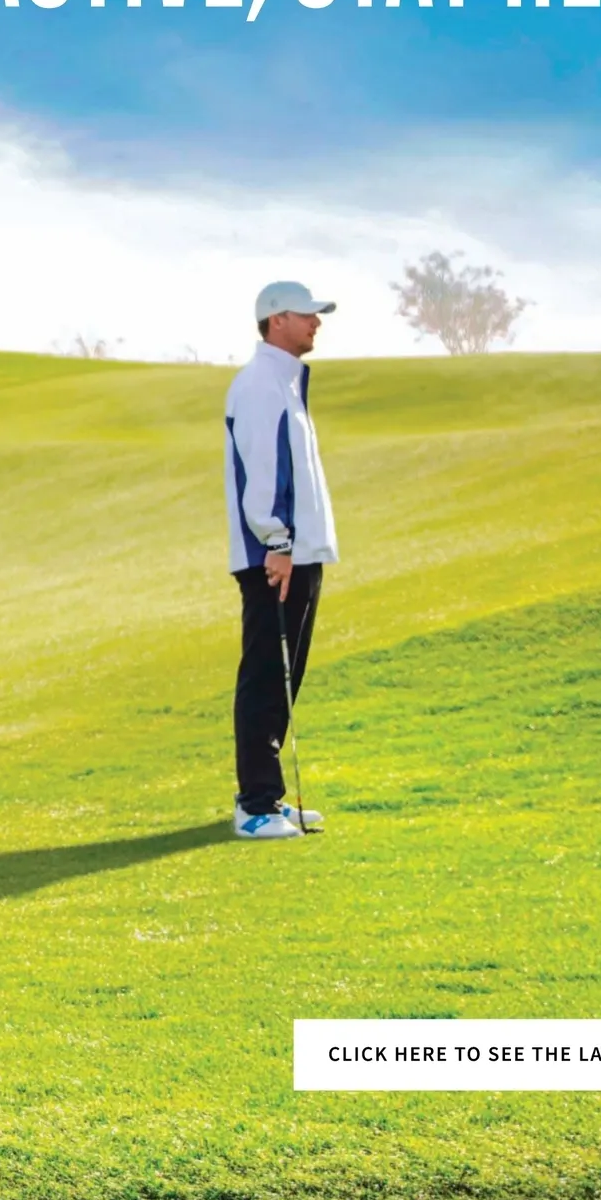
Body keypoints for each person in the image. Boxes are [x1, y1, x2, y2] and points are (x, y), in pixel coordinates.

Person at [224, 281, 339, 838]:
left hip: (298, 553)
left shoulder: (285, 382)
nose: (316, 323)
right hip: (276, 556)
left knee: (284, 679)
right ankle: (255, 806)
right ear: (276, 320)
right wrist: (277, 543)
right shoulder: (260, 385)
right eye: (306, 315)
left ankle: (267, 795)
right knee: (267, 675)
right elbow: (265, 471)